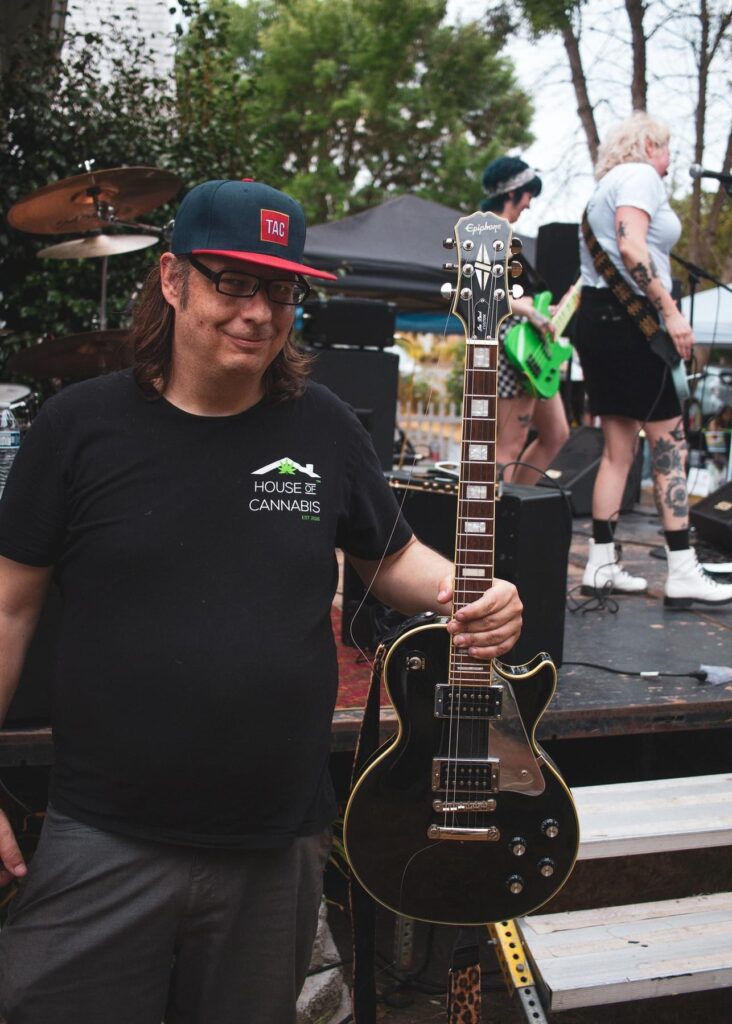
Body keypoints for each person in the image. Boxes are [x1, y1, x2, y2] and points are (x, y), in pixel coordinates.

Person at [0, 179, 523, 1024]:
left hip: (273, 846)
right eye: (232, 282)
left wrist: (475, 593)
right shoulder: (79, 427)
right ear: (172, 279)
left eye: (279, 290)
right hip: (102, 835)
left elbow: (393, 559)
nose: (257, 312)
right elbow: (8, 609)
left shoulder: (320, 424)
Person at [575, 111, 732, 607]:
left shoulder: (601, 189)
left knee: (618, 450)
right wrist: (670, 311)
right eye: (665, 150)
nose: (668, 164)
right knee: (670, 445)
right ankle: (683, 568)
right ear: (647, 144)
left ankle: (601, 563)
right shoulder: (640, 176)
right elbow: (631, 244)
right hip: (635, 324)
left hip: (600, 319)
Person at [481, 156, 570, 484]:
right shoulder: (488, 229)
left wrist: (548, 310)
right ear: (512, 192)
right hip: (511, 348)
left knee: (557, 433)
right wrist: (529, 310)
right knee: (508, 446)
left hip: (532, 348)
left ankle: (514, 506)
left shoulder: (508, 235)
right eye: (528, 194)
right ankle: (496, 523)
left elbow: (518, 295)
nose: (530, 203)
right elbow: (483, 291)